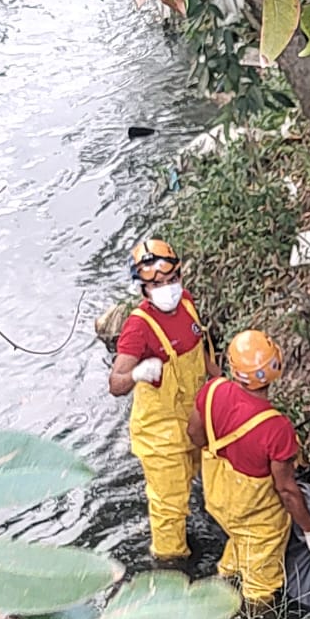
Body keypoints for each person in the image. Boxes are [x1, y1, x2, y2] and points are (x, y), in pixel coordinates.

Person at [188, 329, 310, 604]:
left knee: (238, 540)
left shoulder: (212, 390)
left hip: (219, 501)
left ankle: (225, 580)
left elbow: (194, 434)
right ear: (275, 367)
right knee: (260, 588)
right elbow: (286, 490)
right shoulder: (277, 428)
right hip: (256, 516)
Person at [107, 239, 218, 562]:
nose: (167, 289)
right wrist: (136, 373)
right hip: (160, 434)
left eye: (171, 280)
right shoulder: (138, 329)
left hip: (196, 418)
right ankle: (171, 565)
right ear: (143, 289)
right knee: (169, 508)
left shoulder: (187, 303)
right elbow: (115, 384)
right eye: (157, 284)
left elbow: (201, 351)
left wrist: (221, 383)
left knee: (209, 479)